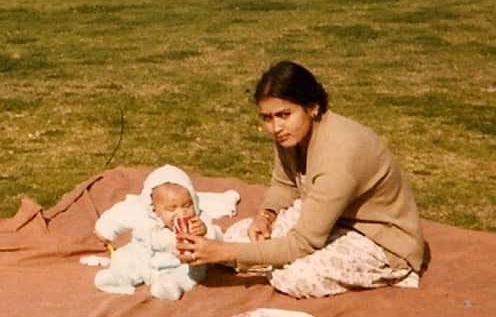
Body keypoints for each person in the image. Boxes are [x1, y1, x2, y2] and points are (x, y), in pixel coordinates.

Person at [175, 61, 427, 299]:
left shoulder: (339, 155)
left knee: (292, 275)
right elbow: (284, 184)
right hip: (329, 219)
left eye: (284, 114)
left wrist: (222, 252)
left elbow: (304, 243)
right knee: (238, 236)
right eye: (267, 117)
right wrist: (266, 215)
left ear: (312, 107)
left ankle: (392, 274)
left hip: (378, 240)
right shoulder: (292, 137)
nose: (275, 127)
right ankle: (257, 256)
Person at [93, 164, 222, 301]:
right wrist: (104, 230)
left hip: (177, 264)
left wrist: (205, 231)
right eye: (172, 209)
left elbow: (218, 240)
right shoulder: (141, 213)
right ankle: (117, 278)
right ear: (153, 208)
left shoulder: (199, 220)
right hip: (143, 257)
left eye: (187, 205)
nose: (182, 213)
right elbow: (119, 215)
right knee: (125, 258)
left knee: (192, 272)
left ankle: (171, 286)